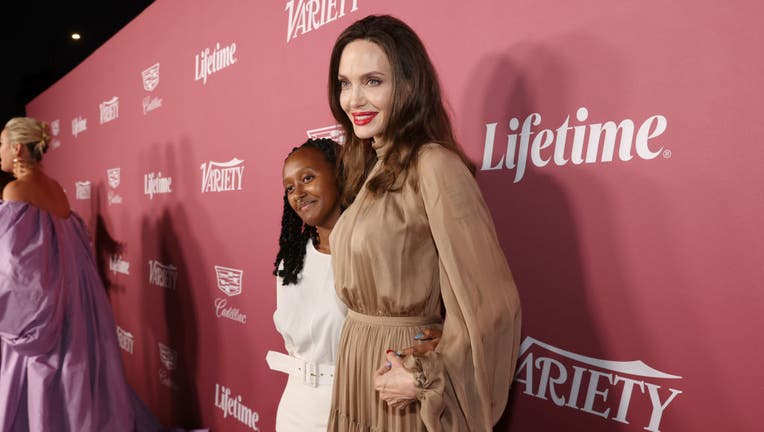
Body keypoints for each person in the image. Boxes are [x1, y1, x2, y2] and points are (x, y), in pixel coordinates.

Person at [326, 15, 522, 431]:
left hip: (400, 391)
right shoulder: (371, 167)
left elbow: (492, 308)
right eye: (344, 83)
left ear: (409, 85)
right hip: (359, 371)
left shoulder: (434, 165)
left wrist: (425, 378)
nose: (353, 99)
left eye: (373, 81)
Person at [269, 138, 442, 431]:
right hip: (294, 406)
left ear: (341, 174)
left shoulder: (376, 255)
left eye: (308, 178)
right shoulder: (290, 261)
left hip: (357, 401)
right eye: (289, 187)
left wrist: (420, 359)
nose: (298, 193)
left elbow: (420, 327)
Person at [0, 117, 160, 431]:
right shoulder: (56, 189)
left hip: (40, 314)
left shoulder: (15, 191)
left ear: (18, 148)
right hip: (77, 308)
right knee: (71, 378)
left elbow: (13, 272)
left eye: (2, 144)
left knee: (42, 376)